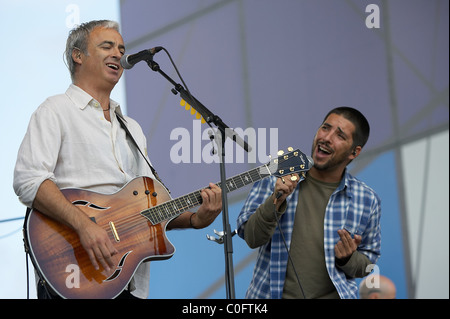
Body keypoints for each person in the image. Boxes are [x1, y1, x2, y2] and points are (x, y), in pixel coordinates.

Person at [13, 20, 222, 299]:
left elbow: (149, 211)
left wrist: (197, 218)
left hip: (128, 281)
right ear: (78, 55)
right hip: (77, 271)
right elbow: (29, 181)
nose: (118, 54)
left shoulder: (132, 128)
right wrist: (84, 225)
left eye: (121, 48)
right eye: (107, 46)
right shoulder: (55, 111)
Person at [237, 106, 381, 299]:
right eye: (325, 128)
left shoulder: (367, 199)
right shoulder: (277, 174)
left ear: (354, 152)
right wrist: (276, 200)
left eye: (340, 135)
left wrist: (348, 258)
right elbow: (251, 238)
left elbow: (369, 265)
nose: (327, 138)